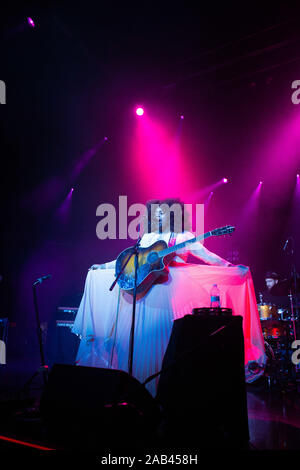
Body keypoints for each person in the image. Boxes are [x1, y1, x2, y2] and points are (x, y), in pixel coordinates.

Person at [72, 198, 260, 396]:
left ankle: (167, 395)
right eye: (156, 212)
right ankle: (139, 392)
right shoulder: (147, 237)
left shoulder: (183, 236)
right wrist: (103, 267)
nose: (159, 215)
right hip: (146, 299)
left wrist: (229, 267)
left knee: (168, 345)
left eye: (164, 212)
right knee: (142, 346)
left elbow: (208, 256)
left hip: (172, 298)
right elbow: (131, 261)